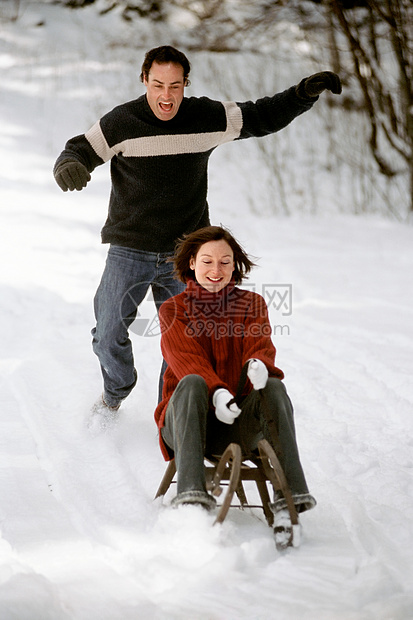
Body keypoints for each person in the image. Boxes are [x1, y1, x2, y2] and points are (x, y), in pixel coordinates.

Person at [53, 45, 341, 419]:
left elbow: (261, 115)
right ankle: (115, 391)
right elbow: (79, 149)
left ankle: (170, 412)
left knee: (186, 339)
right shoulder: (121, 122)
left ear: (186, 84)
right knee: (107, 333)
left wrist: (304, 93)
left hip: (186, 255)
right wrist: (68, 165)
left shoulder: (207, 117)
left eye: (175, 86)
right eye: (158, 85)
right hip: (130, 248)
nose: (166, 96)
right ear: (144, 81)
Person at [154, 225, 316, 548]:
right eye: (208, 262)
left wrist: (258, 368)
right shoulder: (172, 310)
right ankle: (191, 501)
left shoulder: (252, 305)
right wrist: (217, 392)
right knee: (192, 383)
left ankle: (289, 503)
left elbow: (261, 344)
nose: (216, 271)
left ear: (234, 265)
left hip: (236, 421)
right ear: (192, 264)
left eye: (225, 262)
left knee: (274, 388)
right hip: (187, 421)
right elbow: (187, 360)